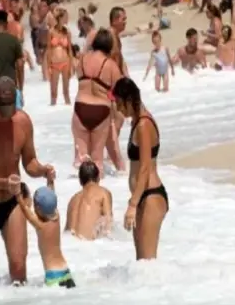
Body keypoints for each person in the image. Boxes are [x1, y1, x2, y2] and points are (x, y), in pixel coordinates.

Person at [0, 76, 55, 283]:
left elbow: (29, 161)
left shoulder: (23, 122)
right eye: (2, 112)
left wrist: (43, 170)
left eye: (11, 110)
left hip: (12, 202)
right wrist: (4, 183)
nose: (7, 117)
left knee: (18, 269)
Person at [110, 77, 168, 260]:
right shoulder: (136, 121)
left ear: (129, 100)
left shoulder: (144, 124)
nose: (118, 109)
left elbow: (144, 168)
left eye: (119, 103)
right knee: (141, 264)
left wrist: (132, 205)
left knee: (148, 262)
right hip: (142, 195)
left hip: (151, 195)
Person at [71, 28, 122, 172]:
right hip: (101, 110)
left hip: (81, 107)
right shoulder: (110, 65)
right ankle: (98, 186)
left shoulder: (82, 60)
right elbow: (119, 90)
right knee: (97, 160)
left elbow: (78, 76)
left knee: (81, 160)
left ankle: (79, 186)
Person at [15, 181, 75, 288]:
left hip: (53, 275)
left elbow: (26, 210)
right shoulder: (57, 216)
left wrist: (18, 196)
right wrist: (50, 180)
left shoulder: (41, 226)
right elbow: (52, 194)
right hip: (66, 272)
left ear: (38, 208)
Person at [65, 160, 113, 240]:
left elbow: (66, 232)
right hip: (88, 244)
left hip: (69, 244)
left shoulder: (72, 200)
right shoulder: (103, 193)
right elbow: (108, 224)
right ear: (98, 178)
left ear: (80, 181)